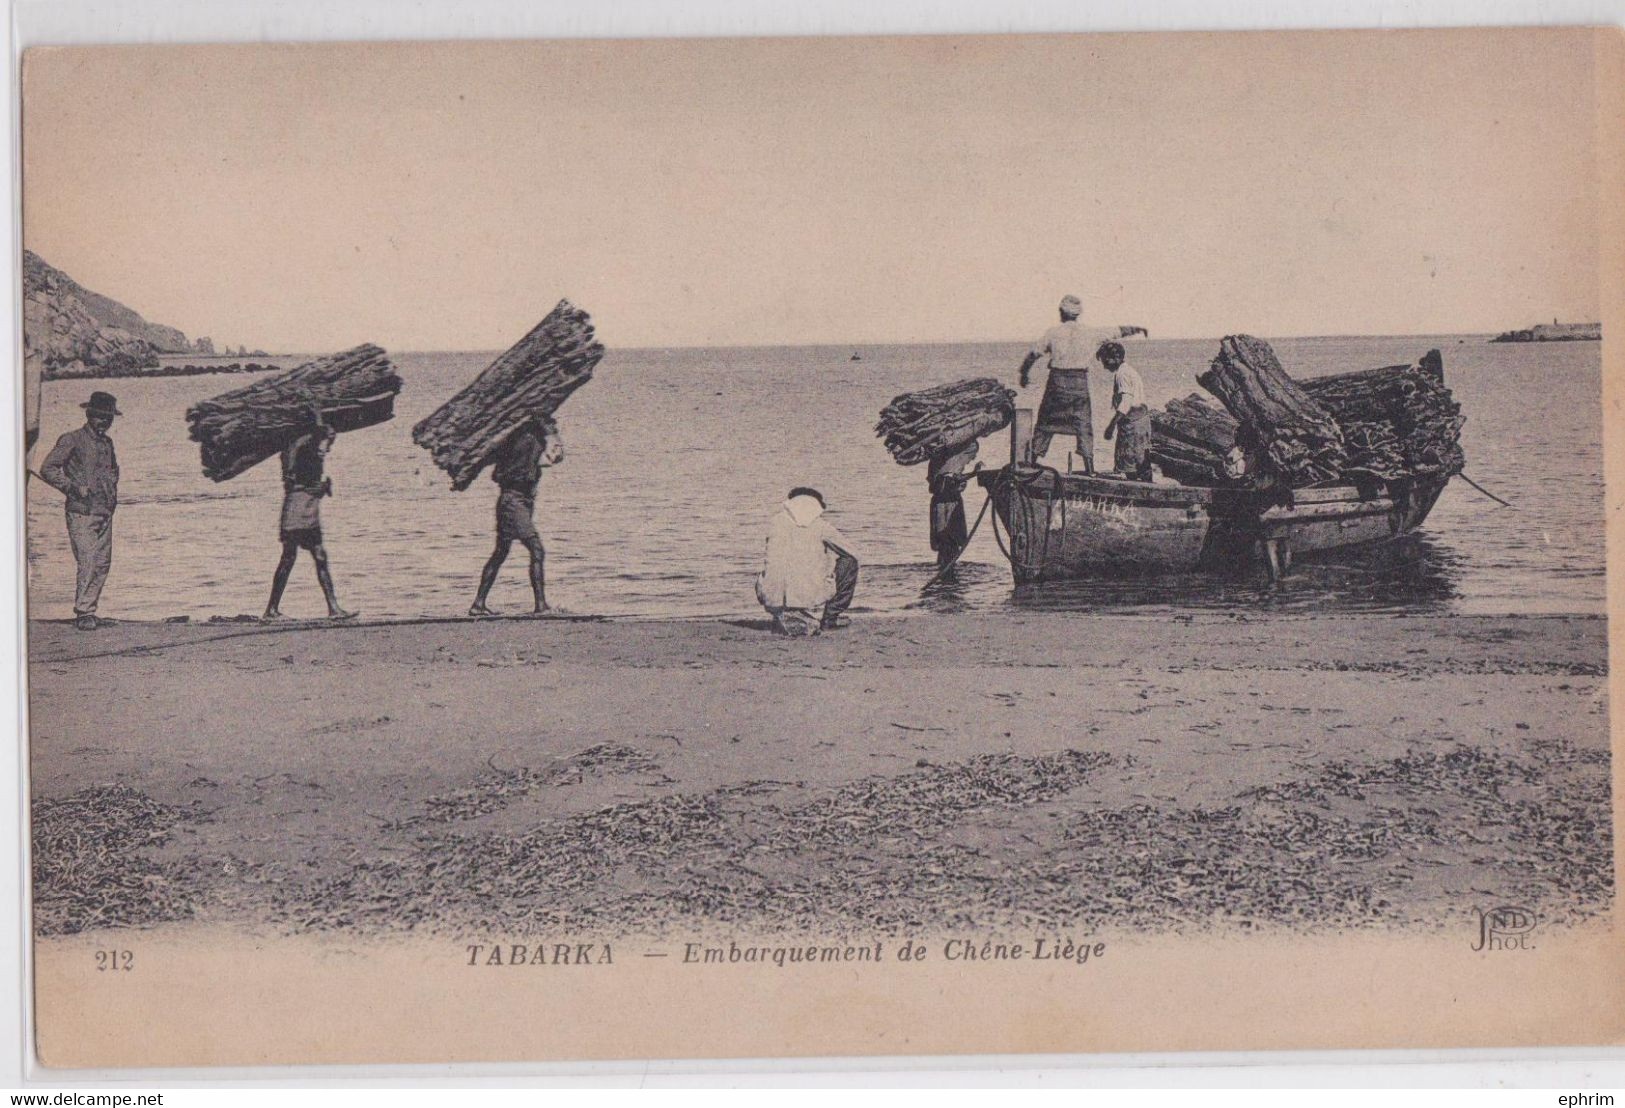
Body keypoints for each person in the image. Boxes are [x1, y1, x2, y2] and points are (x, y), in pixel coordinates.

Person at [39, 391, 121, 630]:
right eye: (99, 416)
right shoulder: (71, 439)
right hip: (80, 511)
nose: (104, 421)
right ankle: (83, 612)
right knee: (88, 560)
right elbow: (48, 468)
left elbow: (113, 472)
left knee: (103, 563)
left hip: (104, 512)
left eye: (108, 417)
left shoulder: (108, 443)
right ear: (89, 414)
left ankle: (90, 610)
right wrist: (72, 487)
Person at [469, 417, 564, 617]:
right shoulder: (528, 438)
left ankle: (478, 604)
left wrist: (551, 437)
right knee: (536, 549)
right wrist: (551, 437)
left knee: (500, 553)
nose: (554, 426)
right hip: (514, 502)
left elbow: (549, 459)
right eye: (551, 423)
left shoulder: (530, 438)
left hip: (516, 500)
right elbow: (545, 460)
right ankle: (540, 606)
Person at [263, 419, 354, 621]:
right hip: (296, 511)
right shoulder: (302, 454)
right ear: (316, 440)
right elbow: (301, 484)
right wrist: (324, 487)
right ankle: (271, 610)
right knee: (290, 558)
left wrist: (321, 487)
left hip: (308, 513)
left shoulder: (307, 453)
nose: (328, 448)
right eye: (327, 442)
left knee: (318, 556)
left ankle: (333, 608)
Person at [755, 487, 859, 636]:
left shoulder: (775, 523)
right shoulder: (821, 526)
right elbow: (852, 552)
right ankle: (830, 618)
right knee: (850, 562)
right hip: (807, 594)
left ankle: (782, 613)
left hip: (770, 597)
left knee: (773, 568)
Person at [1099, 340, 1153, 481]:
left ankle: (1136, 494)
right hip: (1142, 421)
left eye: (1106, 361)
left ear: (1116, 359)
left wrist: (1111, 426)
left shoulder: (1122, 374)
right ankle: (1147, 494)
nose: (1104, 365)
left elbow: (1126, 402)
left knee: (1130, 464)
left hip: (1132, 425)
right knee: (1143, 461)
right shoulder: (1129, 371)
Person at [927, 440, 979, 568]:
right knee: (949, 541)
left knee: (945, 543)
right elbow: (949, 480)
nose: (973, 458)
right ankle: (947, 569)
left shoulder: (938, 461)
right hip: (948, 503)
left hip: (940, 502)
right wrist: (973, 473)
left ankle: (944, 568)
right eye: (972, 454)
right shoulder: (953, 462)